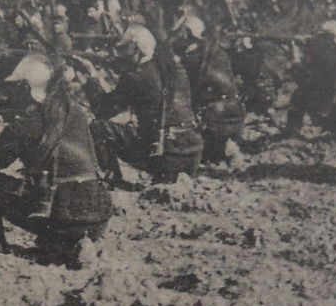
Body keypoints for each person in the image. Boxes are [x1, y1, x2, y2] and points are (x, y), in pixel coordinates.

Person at [0, 50, 112, 266]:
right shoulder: (75, 112)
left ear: (25, 88)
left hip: (61, 216)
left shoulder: (25, 124)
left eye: (14, 87)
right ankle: (72, 245)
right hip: (97, 216)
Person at [86, 23, 201, 188]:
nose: (120, 54)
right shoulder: (174, 71)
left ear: (137, 49)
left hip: (164, 155)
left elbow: (102, 109)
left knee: (98, 129)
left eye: (124, 49)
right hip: (192, 153)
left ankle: (112, 181)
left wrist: (92, 77)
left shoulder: (136, 77)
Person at [169, 10, 246, 164]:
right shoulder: (214, 51)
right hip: (233, 111)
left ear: (186, 34)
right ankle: (226, 147)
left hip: (213, 115)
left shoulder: (192, 56)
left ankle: (224, 148)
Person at [282, 20, 336, 138]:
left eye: (321, 36)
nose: (317, 38)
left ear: (329, 37)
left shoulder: (326, 56)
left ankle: (292, 133)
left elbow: (304, 80)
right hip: (334, 100)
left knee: (299, 94)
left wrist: (296, 59)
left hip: (324, 105)